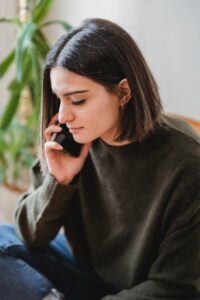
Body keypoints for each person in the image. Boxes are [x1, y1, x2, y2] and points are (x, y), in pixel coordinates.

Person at [0, 17, 199, 300]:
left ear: (123, 92)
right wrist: (59, 180)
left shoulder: (187, 162)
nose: (65, 115)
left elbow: (176, 287)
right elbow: (30, 236)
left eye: (78, 100)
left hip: (145, 291)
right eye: (59, 99)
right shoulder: (73, 139)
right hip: (84, 271)